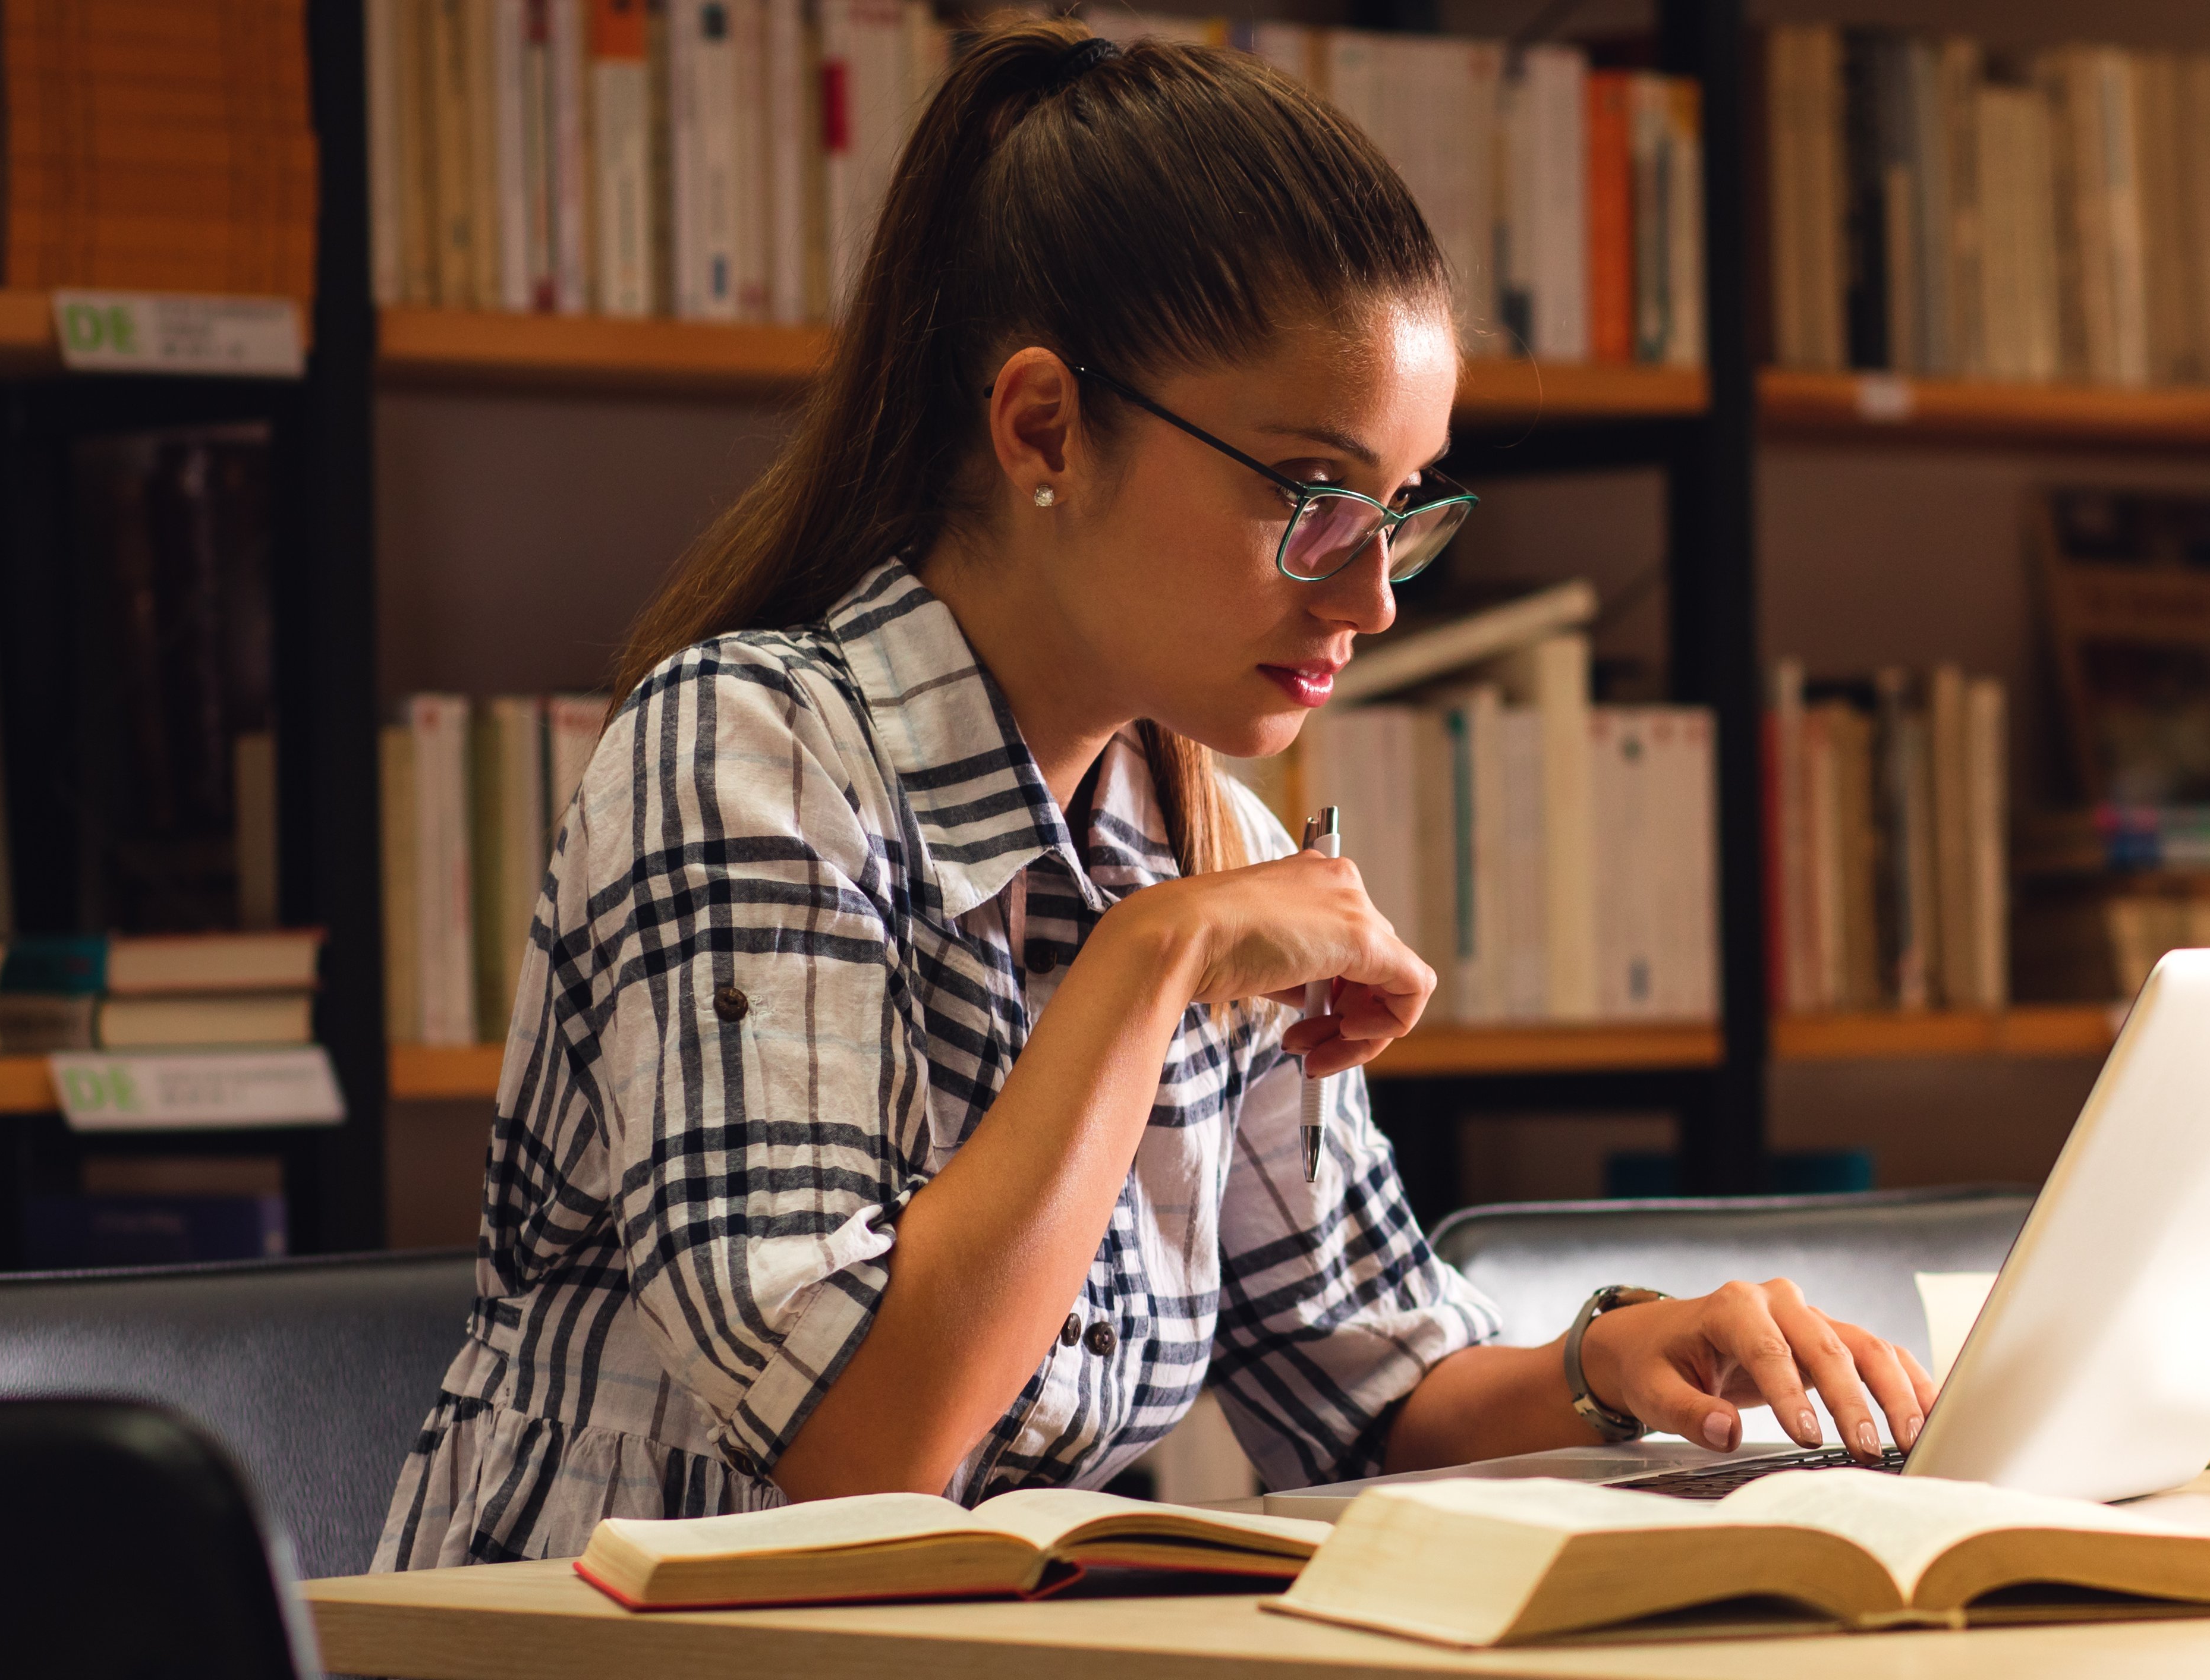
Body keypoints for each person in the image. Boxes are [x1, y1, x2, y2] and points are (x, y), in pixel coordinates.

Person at [373, 21, 1933, 1568]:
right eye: (1314, 498)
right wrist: (1156, 957)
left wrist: (1609, 1364)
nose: (1374, 597)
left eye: (1402, 509)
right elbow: (861, 1440)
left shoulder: (1203, 833)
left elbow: (1365, 1390)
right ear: (1042, 426)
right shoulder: (744, 752)